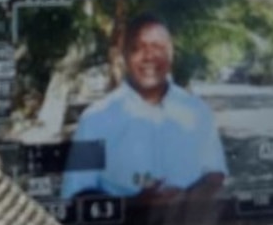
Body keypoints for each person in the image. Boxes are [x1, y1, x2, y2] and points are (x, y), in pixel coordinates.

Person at [60, 15, 227, 209]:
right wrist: (134, 207)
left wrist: (184, 200)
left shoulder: (199, 112)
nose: (149, 57)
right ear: (124, 55)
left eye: (158, 48)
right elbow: (77, 193)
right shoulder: (95, 119)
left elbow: (215, 174)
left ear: (171, 53)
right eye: (138, 48)